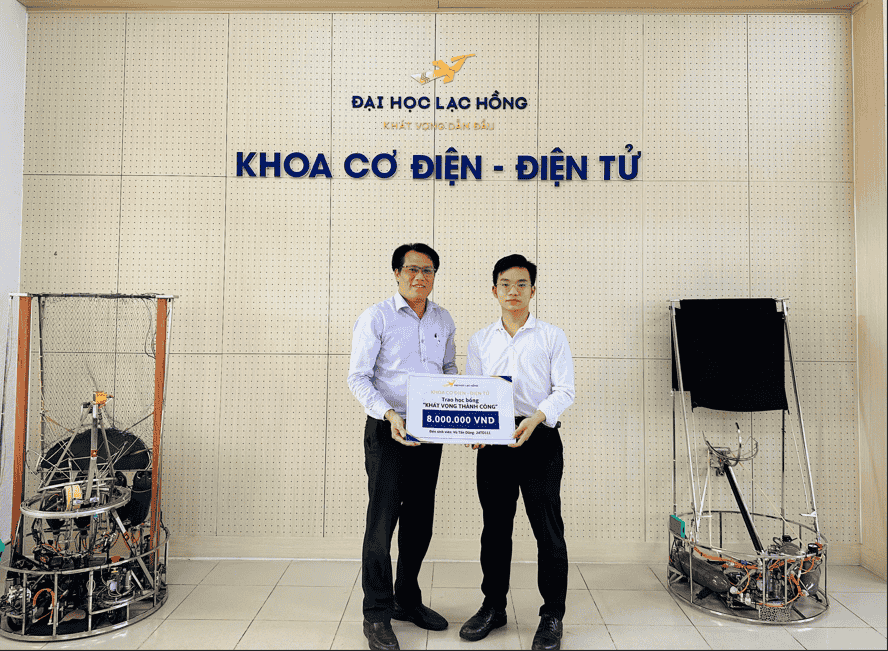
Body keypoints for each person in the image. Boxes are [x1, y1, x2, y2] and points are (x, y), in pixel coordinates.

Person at [460, 254, 575, 651]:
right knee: (495, 530)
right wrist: (474, 428)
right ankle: (493, 607)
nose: (513, 291)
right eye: (505, 284)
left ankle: (552, 615)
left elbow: (564, 390)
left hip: (539, 437)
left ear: (533, 290)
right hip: (494, 443)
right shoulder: (480, 339)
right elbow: (474, 390)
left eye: (521, 284)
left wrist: (537, 417)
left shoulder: (552, 336)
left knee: (548, 530)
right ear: (494, 291)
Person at [347, 243, 456, 651]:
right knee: (382, 523)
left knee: (419, 522)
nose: (419, 277)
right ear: (396, 273)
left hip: (430, 432)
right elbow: (358, 377)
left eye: (427, 270)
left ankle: (406, 600)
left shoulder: (443, 318)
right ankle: (376, 614)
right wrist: (390, 414)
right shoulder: (376, 317)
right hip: (388, 430)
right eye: (412, 269)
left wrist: (461, 408)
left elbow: (448, 369)